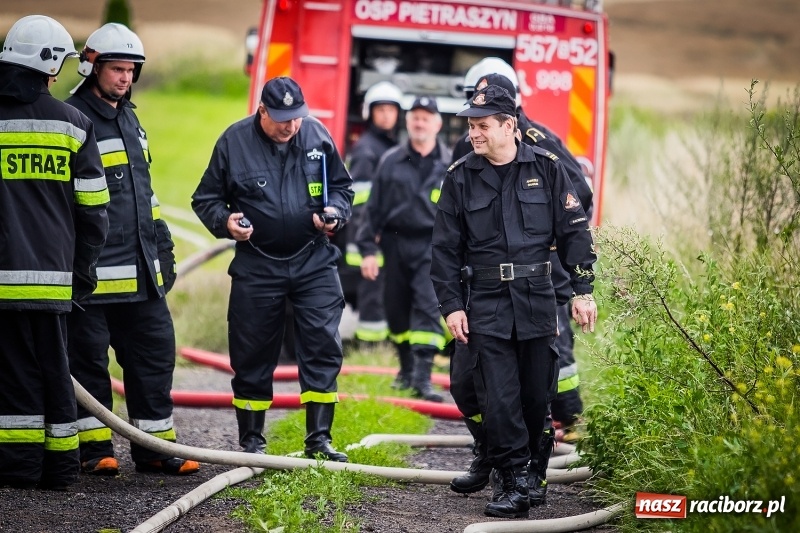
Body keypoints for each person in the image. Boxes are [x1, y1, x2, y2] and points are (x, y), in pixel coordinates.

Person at [431, 84, 598, 518]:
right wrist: (451, 305)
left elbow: (575, 234)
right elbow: (444, 250)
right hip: (485, 302)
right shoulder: (461, 177)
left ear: (510, 126)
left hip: (537, 300)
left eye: (483, 126)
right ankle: (514, 480)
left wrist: (583, 291)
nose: (474, 134)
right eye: (471, 126)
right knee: (498, 398)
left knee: (535, 396)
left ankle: (533, 477)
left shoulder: (547, 169)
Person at [192, 76, 353, 461]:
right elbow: (206, 198)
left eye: (296, 117)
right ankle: (252, 441)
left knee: (321, 345)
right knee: (252, 348)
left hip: (313, 258)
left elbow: (343, 189)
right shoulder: (233, 142)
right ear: (261, 110)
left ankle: (319, 440)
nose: (290, 126)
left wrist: (335, 214)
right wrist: (226, 222)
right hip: (258, 263)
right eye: (282, 118)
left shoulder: (317, 136)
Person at [64, 23, 199, 477]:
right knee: (87, 363)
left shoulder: (129, 117)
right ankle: (94, 450)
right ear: (92, 66)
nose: (125, 78)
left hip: (143, 272)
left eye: (131, 70)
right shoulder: (72, 118)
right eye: (117, 69)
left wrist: (162, 246)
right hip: (93, 274)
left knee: (155, 356)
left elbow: (145, 194)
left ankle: (155, 449)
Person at [0, 15, 109, 490]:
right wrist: (82, 272)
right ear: (47, 65)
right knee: (56, 372)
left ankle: (18, 468)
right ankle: (61, 468)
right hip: (53, 279)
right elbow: (94, 214)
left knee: (13, 375)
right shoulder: (75, 124)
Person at [356, 96, 451, 402]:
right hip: (396, 244)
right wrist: (368, 250)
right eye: (415, 117)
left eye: (426, 117)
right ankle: (406, 369)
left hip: (432, 245)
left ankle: (423, 379)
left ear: (437, 124)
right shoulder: (391, 161)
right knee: (396, 311)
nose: (420, 122)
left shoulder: (451, 165)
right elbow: (373, 210)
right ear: (407, 123)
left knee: (427, 305)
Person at [341, 81, 402, 346]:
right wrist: (369, 240)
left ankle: (375, 343)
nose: (387, 115)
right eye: (381, 110)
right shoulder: (368, 150)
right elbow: (361, 201)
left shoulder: (386, 145)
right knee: (373, 292)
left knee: (381, 291)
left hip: (378, 235)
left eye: (391, 110)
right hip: (368, 238)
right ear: (370, 113)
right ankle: (370, 347)